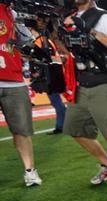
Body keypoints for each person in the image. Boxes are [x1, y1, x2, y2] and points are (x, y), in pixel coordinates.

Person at [62, 0, 107, 185]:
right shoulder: (72, 18)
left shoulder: (103, 17)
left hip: (103, 84)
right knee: (74, 128)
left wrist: (91, 31)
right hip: (81, 85)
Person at [0, 2, 42, 187]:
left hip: (14, 79)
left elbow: (26, 44)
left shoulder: (13, 13)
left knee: (22, 130)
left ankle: (30, 171)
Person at [30, 16, 67, 135]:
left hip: (50, 73)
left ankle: (61, 126)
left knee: (56, 101)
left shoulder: (40, 41)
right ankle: (62, 124)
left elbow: (42, 56)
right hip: (55, 71)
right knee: (56, 101)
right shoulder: (47, 40)